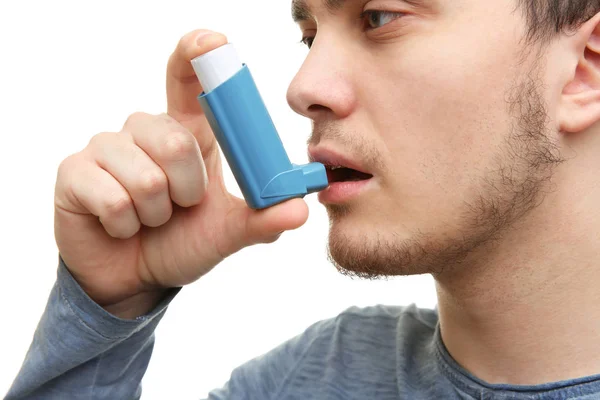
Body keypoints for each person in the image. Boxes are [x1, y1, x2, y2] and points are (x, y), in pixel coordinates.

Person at [6, 0, 600, 398]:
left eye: (378, 17)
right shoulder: (305, 379)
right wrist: (108, 311)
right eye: (308, 34)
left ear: (584, 71)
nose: (302, 87)